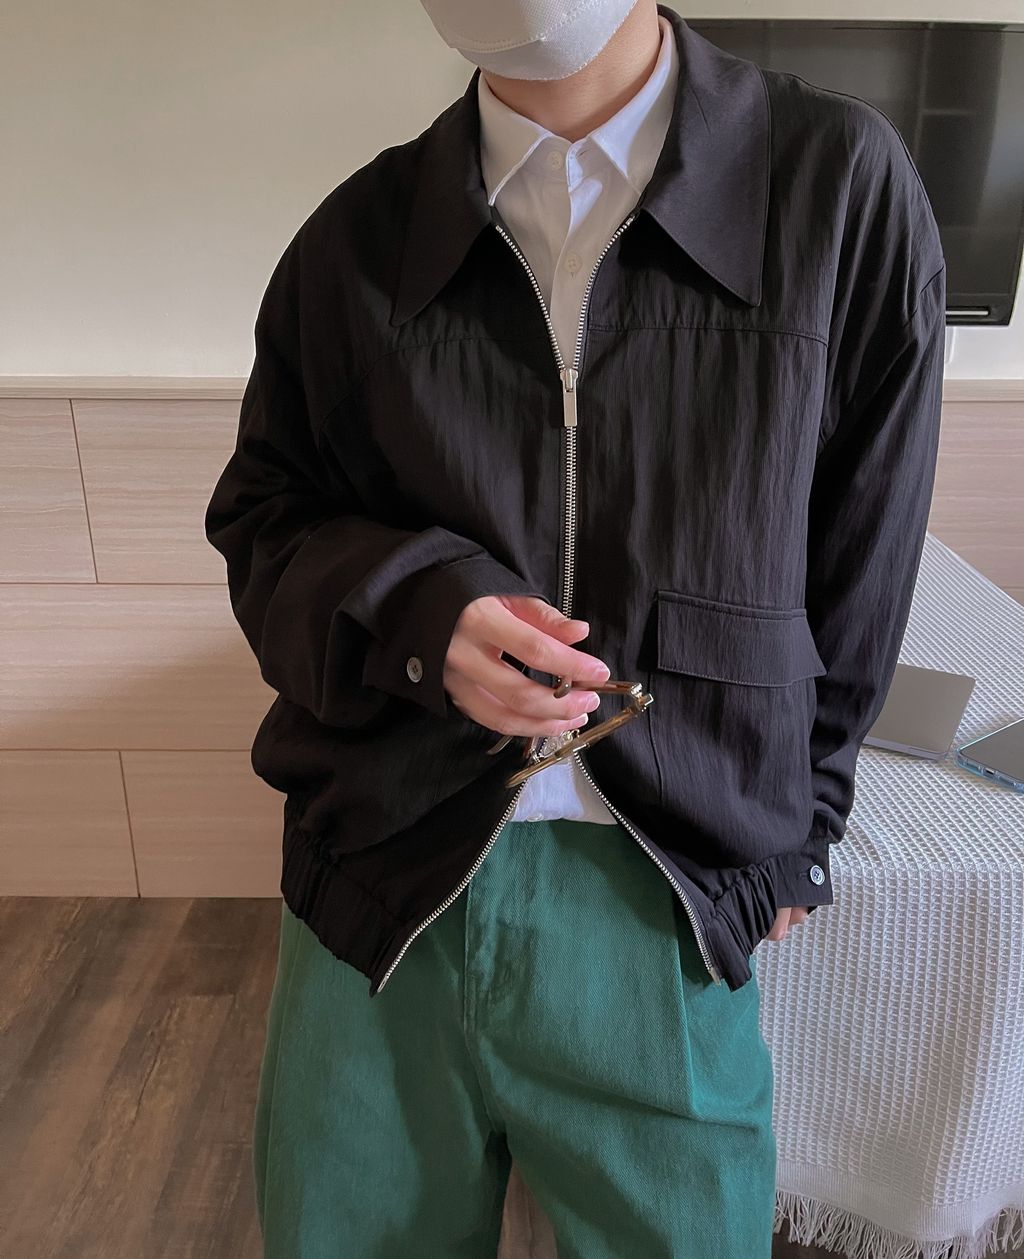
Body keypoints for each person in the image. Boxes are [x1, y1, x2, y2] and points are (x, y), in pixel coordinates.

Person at [203, 2, 946, 1256]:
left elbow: (864, 552)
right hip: (380, 885)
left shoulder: (837, 187)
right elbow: (264, 521)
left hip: (665, 897)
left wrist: (802, 822)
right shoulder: (356, 237)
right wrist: (420, 611)